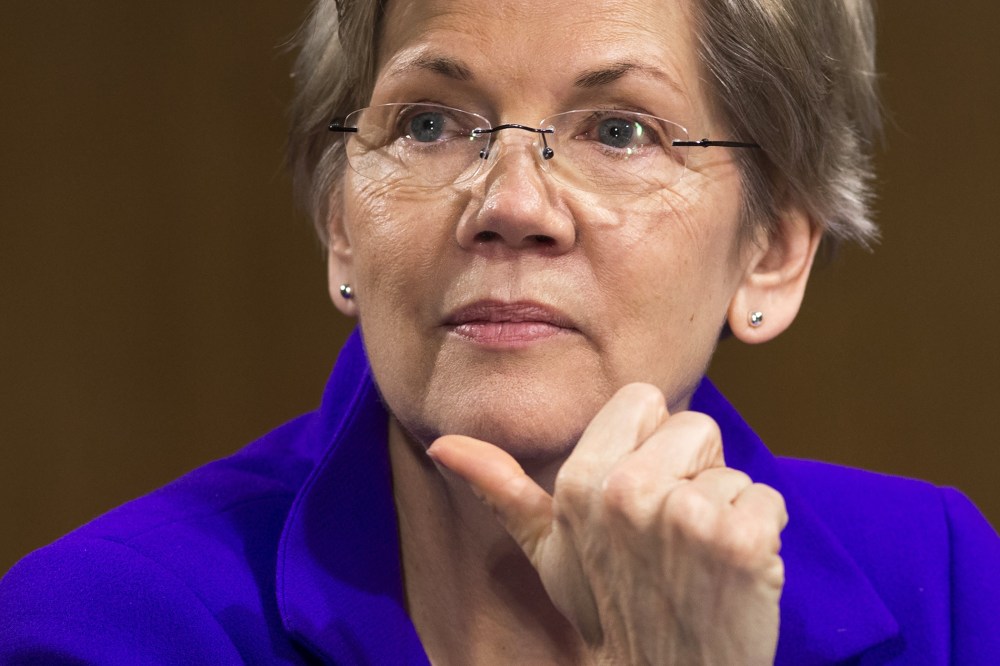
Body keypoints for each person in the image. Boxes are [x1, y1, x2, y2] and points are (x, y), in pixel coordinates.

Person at [2, 0, 998, 662]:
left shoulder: (943, 586)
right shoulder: (106, 625)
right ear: (341, 225)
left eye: (619, 130)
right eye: (430, 124)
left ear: (770, 252)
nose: (512, 204)